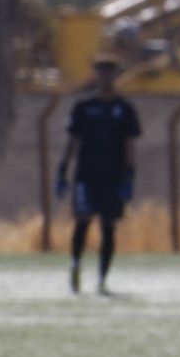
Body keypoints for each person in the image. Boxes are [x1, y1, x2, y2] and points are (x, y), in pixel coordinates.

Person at [55, 54, 141, 295]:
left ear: (116, 76)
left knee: (108, 226)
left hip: (113, 177)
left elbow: (130, 143)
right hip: (86, 175)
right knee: (82, 220)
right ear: (96, 75)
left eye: (110, 72)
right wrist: (63, 169)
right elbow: (72, 139)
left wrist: (129, 175)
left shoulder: (125, 109)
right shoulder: (83, 107)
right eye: (101, 72)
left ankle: (102, 278)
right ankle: (75, 265)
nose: (105, 77)